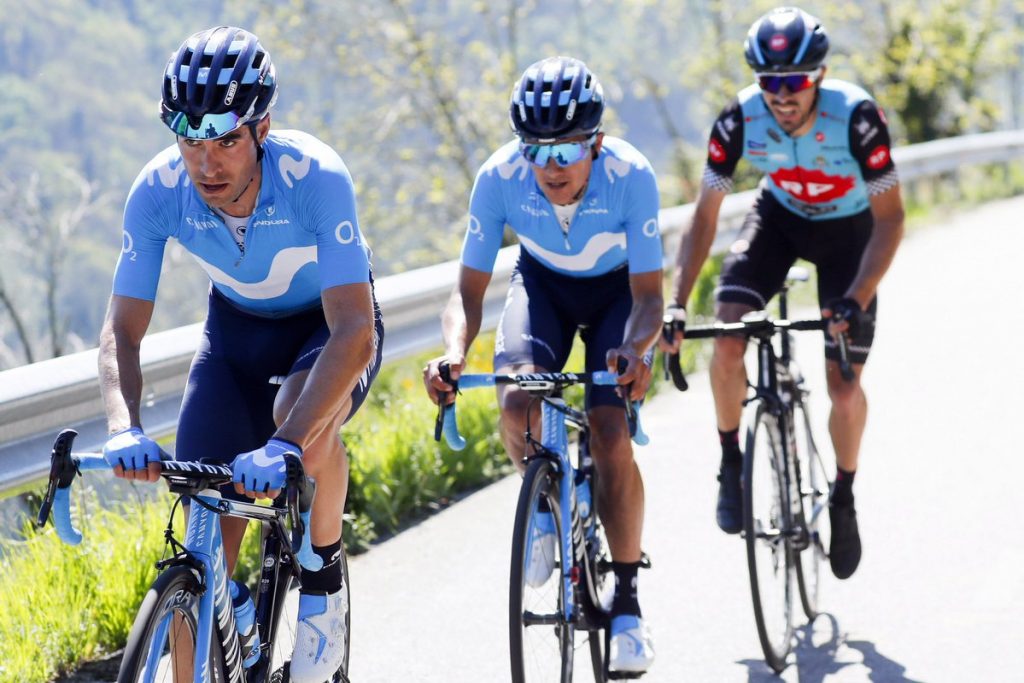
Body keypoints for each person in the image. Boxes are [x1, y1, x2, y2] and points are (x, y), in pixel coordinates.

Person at [98, 26, 383, 682]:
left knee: (305, 425)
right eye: (190, 139)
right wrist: (123, 424)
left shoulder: (315, 176)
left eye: (225, 139)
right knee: (203, 524)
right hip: (235, 339)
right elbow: (121, 331)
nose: (206, 163)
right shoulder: (157, 190)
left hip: (329, 331)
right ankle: (233, 616)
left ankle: (322, 581)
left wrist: (284, 441)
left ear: (262, 128)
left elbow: (355, 332)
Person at [423, 56, 662, 674]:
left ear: (596, 143)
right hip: (543, 290)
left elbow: (650, 297)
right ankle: (546, 508)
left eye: (567, 151)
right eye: (536, 149)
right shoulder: (499, 176)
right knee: (515, 402)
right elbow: (467, 293)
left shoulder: (630, 174)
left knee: (610, 434)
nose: (550, 167)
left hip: (617, 297)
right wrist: (454, 353)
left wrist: (635, 351)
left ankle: (629, 599)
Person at [662, 7, 904, 580]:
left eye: (794, 81)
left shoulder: (856, 117)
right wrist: (675, 302)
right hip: (780, 218)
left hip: (850, 235)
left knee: (843, 388)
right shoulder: (739, 119)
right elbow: (704, 217)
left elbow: (892, 220)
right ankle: (730, 462)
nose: (782, 95)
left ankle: (842, 496)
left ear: (818, 76)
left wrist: (859, 296)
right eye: (770, 82)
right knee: (725, 337)